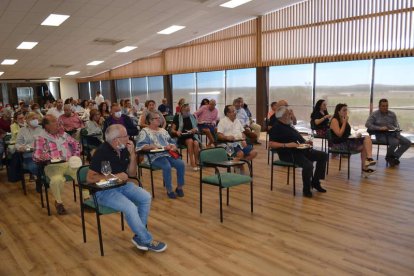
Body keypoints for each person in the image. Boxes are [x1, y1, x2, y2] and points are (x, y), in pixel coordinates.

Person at [86, 124, 167, 252]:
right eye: (125, 136)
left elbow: (132, 174)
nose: (129, 138)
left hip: (121, 185)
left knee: (146, 197)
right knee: (130, 207)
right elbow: (90, 178)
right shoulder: (101, 152)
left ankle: (139, 236)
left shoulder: (124, 148)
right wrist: (116, 176)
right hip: (103, 190)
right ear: (115, 140)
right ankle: (146, 239)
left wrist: (133, 156)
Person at [269, 105, 328, 198]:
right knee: (308, 165)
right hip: (289, 154)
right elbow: (271, 144)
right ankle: (306, 189)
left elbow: (296, 138)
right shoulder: (276, 127)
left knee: (323, 155)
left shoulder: (288, 125)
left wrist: (306, 142)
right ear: (284, 116)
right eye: (289, 113)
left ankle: (316, 182)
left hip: (301, 150)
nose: (291, 115)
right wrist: (286, 145)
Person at [32, 114, 82, 215]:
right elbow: (35, 156)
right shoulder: (40, 138)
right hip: (52, 166)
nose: (58, 123)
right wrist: (42, 157)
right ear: (47, 126)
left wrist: (74, 156)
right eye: (54, 121)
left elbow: (77, 144)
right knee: (57, 180)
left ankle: (86, 201)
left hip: (68, 163)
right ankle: (59, 203)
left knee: (82, 174)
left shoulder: (63, 134)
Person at [136, 112, 186, 199]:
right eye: (156, 118)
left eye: (159, 118)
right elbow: (141, 146)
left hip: (167, 154)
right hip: (153, 156)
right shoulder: (145, 131)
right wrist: (151, 146)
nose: (160, 119)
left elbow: (171, 141)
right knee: (167, 166)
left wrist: (173, 146)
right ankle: (169, 190)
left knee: (181, 164)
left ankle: (179, 187)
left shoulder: (163, 130)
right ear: (150, 121)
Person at [330, 103, 376, 176]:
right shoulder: (334, 120)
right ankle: (364, 169)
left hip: (347, 141)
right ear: (338, 111)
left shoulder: (343, 119)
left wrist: (356, 135)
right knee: (364, 147)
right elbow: (339, 134)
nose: (346, 112)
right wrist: (345, 122)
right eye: (344, 110)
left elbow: (347, 133)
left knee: (367, 138)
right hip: (339, 144)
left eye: (346, 110)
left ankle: (369, 158)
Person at [365, 99, 411, 166]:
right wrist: (380, 128)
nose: (385, 107)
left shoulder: (392, 114)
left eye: (386, 106)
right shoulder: (375, 114)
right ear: (379, 106)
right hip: (381, 135)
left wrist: (395, 129)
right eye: (383, 106)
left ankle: (392, 157)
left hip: (393, 133)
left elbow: (396, 125)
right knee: (395, 142)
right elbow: (367, 124)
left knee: (407, 143)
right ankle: (391, 158)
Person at [171, 103, 201, 171]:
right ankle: (192, 162)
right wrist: (177, 132)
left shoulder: (192, 116)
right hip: (181, 136)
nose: (187, 112)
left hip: (191, 135)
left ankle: (197, 161)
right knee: (190, 141)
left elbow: (196, 127)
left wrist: (194, 129)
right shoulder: (177, 117)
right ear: (182, 110)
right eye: (186, 110)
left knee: (196, 143)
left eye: (188, 110)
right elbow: (172, 130)